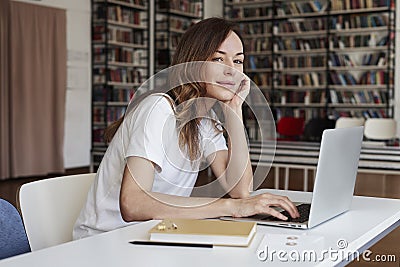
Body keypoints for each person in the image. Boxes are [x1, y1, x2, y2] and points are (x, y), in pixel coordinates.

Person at [73, 17, 299, 239]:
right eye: (218, 60)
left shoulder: (206, 121)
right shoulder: (158, 109)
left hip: (155, 235)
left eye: (238, 61)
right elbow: (133, 203)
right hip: (105, 241)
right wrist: (231, 207)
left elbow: (240, 190)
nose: (232, 70)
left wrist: (235, 109)